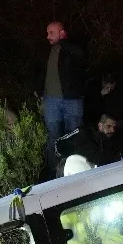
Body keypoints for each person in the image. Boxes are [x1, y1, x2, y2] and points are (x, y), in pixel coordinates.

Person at [37, 20, 86, 174]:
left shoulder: (72, 47)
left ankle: (76, 168)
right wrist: (36, 89)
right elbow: (36, 69)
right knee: (53, 136)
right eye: (47, 33)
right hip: (51, 101)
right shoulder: (45, 50)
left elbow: (81, 56)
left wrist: (64, 42)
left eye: (51, 33)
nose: (48, 36)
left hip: (72, 100)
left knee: (74, 134)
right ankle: (54, 172)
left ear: (62, 33)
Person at [56, 113, 122, 174]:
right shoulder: (85, 133)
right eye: (109, 126)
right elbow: (59, 143)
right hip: (70, 168)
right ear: (100, 125)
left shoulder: (111, 139)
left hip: (91, 170)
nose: (112, 130)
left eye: (114, 127)